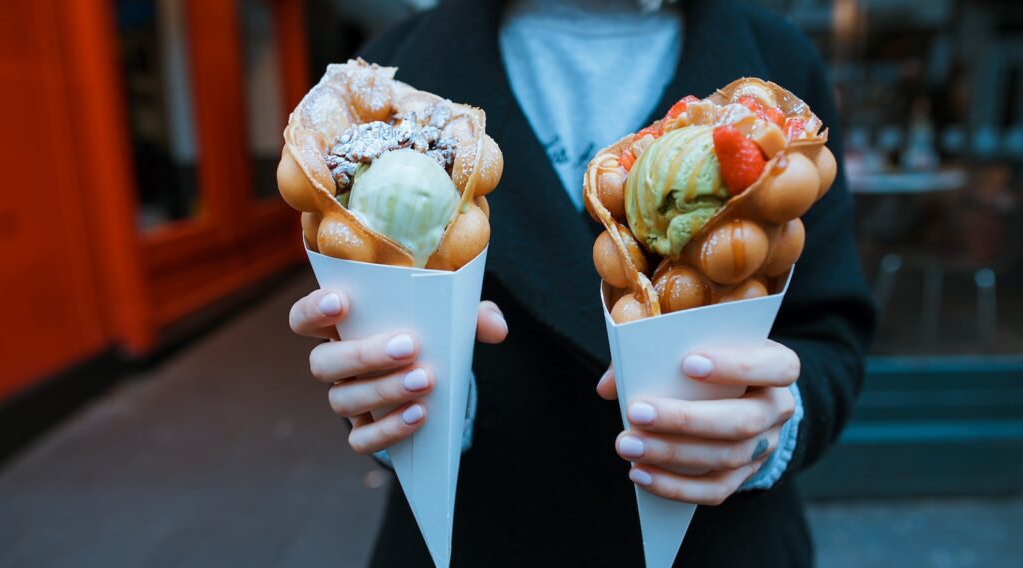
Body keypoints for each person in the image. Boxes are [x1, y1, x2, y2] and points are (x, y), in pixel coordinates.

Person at [288, 0, 876, 565]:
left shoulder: (777, 62)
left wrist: (773, 422)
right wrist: (401, 401)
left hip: (720, 540)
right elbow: (362, 316)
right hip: (479, 535)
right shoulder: (385, 71)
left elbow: (830, 330)